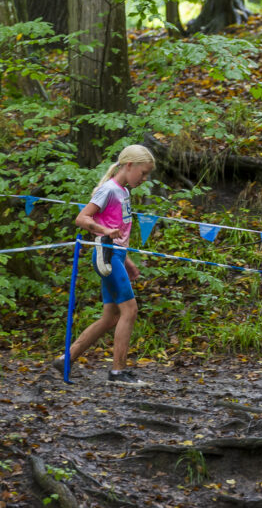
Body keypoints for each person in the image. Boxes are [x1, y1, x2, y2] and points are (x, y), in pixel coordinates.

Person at [53, 145, 155, 386]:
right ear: (128, 165)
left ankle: (66, 358)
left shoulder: (124, 192)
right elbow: (82, 218)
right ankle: (118, 372)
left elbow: (119, 235)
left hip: (116, 256)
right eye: (143, 173)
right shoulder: (109, 190)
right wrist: (104, 231)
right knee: (129, 310)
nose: (144, 178)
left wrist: (127, 260)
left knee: (110, 317)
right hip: (106, 256)